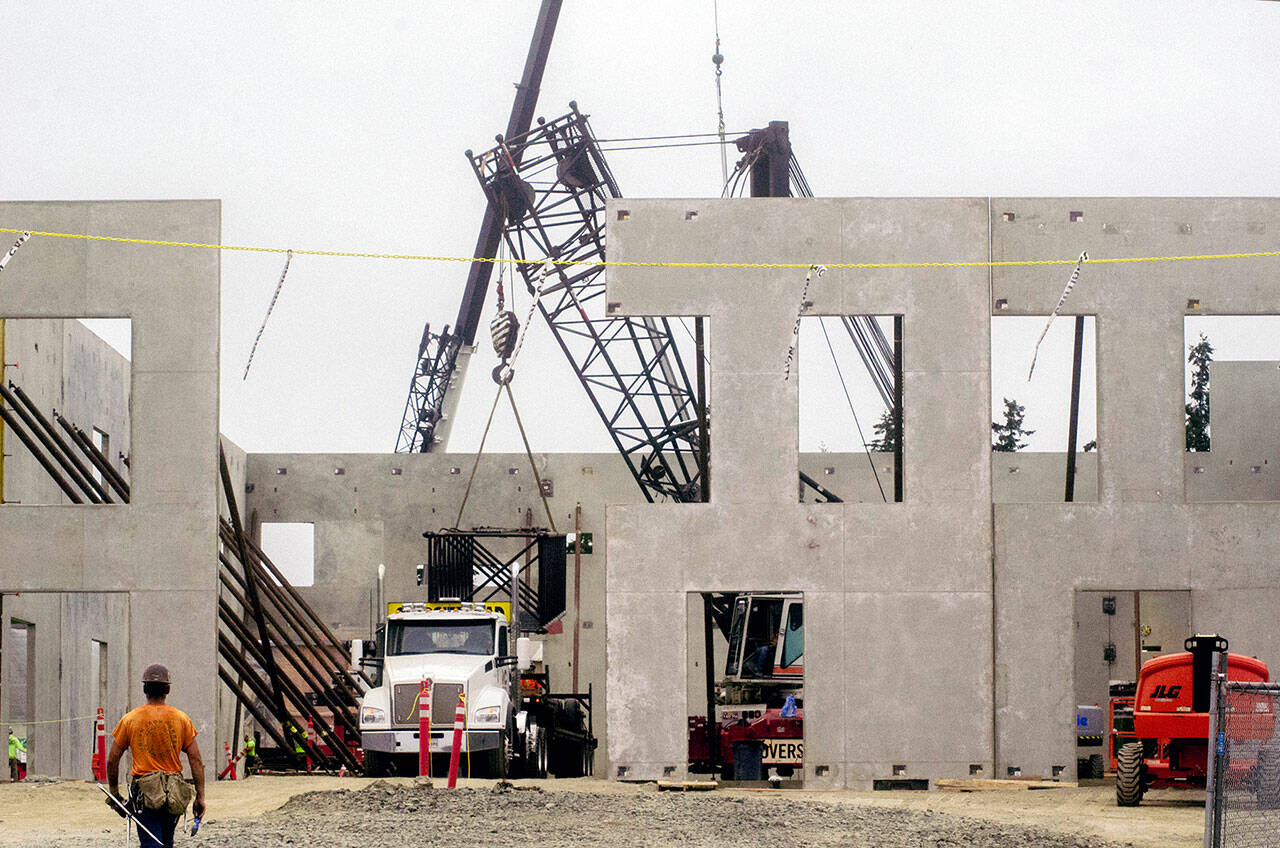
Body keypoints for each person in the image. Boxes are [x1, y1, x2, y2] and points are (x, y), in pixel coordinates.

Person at [106, 664, 205, 848]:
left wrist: (114, 793)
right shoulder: (181, 719)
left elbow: (112, 759)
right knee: (166, 842)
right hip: (173, 794)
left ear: (144, 689)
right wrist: (200, 797)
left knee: (152, 843)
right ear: (168, 689)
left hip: (145, 794)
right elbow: (196, 760)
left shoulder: (130, 719)